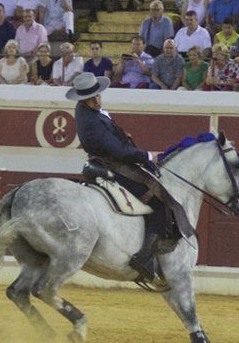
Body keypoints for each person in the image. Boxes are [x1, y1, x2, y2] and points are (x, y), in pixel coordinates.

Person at [67, 72, 171, 281]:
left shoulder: (88, 111)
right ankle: (143, 258)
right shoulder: (92, 122)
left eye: (98, 95)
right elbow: (120, 152)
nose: (97, 100)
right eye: (91, 98)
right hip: (113, 166)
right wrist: (148, 156)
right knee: (160, 200)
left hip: (109, 162)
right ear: (82, 99)